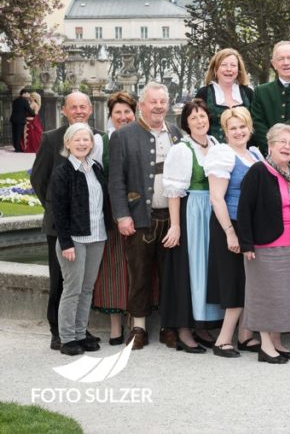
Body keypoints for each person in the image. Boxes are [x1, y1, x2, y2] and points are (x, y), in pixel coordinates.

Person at [109, 82, 184, 350]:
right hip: (140, 217)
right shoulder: (124, 135)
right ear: (141, 105)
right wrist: (122, 216)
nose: (158, 107)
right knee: (139, 274)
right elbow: (116, 180)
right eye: (153, 102)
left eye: (162, 102)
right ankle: (138, 327)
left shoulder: (176, 134)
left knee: (170, 276)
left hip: (171, 218)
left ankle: (168, 326)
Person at [30, 91, 99, 350]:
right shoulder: (51, 139)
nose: (79, 111)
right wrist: (57, 210)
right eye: (74, 107)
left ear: (90, 110)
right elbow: (39, 179)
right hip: (60, 226)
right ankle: (58, 331)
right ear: (64, 110)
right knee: (60, 278)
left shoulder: (97, 137)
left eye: (83, 107)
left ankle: (77, 329)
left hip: (89, 226)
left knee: (83, 281)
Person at [237, 123, 290, 364]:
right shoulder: (258, 170)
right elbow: (244, 208)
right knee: (266, 296)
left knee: (284, 297)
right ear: (270, 145)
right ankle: (266, 347)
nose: (287, 147)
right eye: (282, 142)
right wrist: (246, 243)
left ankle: (277, 343)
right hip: (264, 245)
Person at [161, 98, 223, 353]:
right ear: (186, 123)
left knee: (209, 268)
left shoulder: (217, 145)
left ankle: (202, 325)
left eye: (203, 116)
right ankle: (184, 330)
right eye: (194, 117)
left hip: (214, 211)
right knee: (191, 268)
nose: (200, 121)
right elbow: (174, 192)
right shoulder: (182, 149)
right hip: (193, 213)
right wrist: (175, 226)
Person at [204, 107, 262, 357]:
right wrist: (230, 232)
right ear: (225, 132)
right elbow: (217, 198)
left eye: (242, 126)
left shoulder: (254, 153)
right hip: (230, 223)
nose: (239, 132)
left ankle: (245, 334)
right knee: (234, 281)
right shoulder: (223, 154)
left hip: (250, 226)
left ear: (250, 128)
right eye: (233, 128)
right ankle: (223, 339)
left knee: (250, 280)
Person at [51, 124, 112, 355]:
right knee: (73, 289)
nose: (82, 143)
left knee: (87, 289)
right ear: (68, 143)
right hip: (74, 239)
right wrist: (65, 243)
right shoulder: (62, 171)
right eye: (77, 139)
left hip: (97, 236)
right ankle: (66, 338)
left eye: (86, 139)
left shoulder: (95, 167)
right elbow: (59, 211)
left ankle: (79, 332)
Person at [91, 92, 137, 345]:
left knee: (137, 266)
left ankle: (136, 320)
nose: (123, 117)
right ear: (111, 116)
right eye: (117, 113)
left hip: (140, 208)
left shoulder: (142, 138)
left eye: (127, 112)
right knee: (113, 268)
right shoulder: (102, 142)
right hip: (111, 211)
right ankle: (115, 326)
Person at [196, 48, 254, 143]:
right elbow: (196, 123)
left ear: (238, 70)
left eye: (233, 65)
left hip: (243, 150)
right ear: (215, 69)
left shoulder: (248, 93)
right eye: (224, 65)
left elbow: (254, 124)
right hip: (213, 151)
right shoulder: (204, 93)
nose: (229, 69)